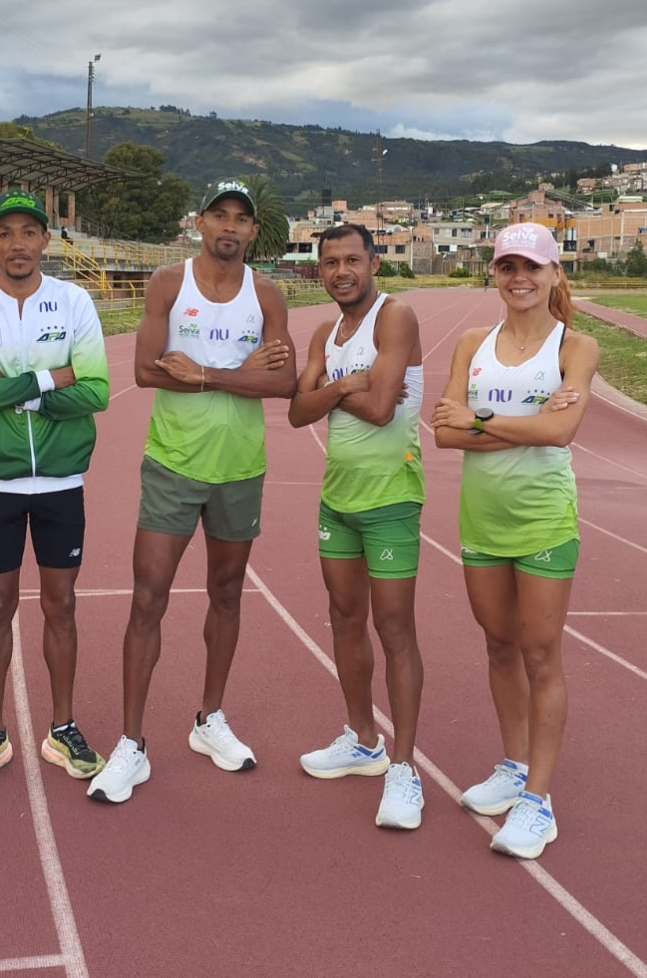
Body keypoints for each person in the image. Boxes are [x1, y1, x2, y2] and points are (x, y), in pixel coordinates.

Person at [87, 180, 297, 803]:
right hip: (173, 465)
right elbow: (146, 370)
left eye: (241, 219)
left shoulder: (267, 294)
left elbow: (284, 384)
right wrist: (242, 376)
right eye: (218, 216)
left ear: (254, 232)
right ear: (199, 224)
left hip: (241, 467)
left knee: (226, 594)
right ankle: (131, 744)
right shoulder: (166, 284)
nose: (229, 227)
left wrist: (205, 374)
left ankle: (210, 719)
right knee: (148, 598)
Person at [430, 223, 599, 860]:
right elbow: (443, 434)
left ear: (556, 274)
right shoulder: (474, 342)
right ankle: (512, 764)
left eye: (532, 267)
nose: (519, 278)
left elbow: (561, 434)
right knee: (499, 645)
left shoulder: (575, 348)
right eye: (507, 267)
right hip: (481, 521)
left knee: (539, 655)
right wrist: (523, 422)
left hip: (544, 522)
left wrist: (480, 419)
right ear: (494, 274)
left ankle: (539, 801)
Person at [0, 191, 110, 787]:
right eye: (5, 232)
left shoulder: (73, 299)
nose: (18, 243)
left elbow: (96, 392)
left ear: (46, 239)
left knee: (61, 606)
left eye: (29, 232)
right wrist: (48, 377)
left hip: (63, 481)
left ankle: (62, 727)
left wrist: (15, 388)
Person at [287, 224, 427, 830]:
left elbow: (380, 411)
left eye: (351, 260)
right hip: (337, 501)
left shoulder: (396, 318)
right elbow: (297, 412)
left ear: (373, 263)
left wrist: (328, 391)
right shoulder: (325, 331)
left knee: (394, 629)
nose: (341, 271)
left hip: (392, 499)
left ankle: (403, 768)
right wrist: (348, 382)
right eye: (330, 263)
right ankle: (363, 737)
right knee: (344, 619)